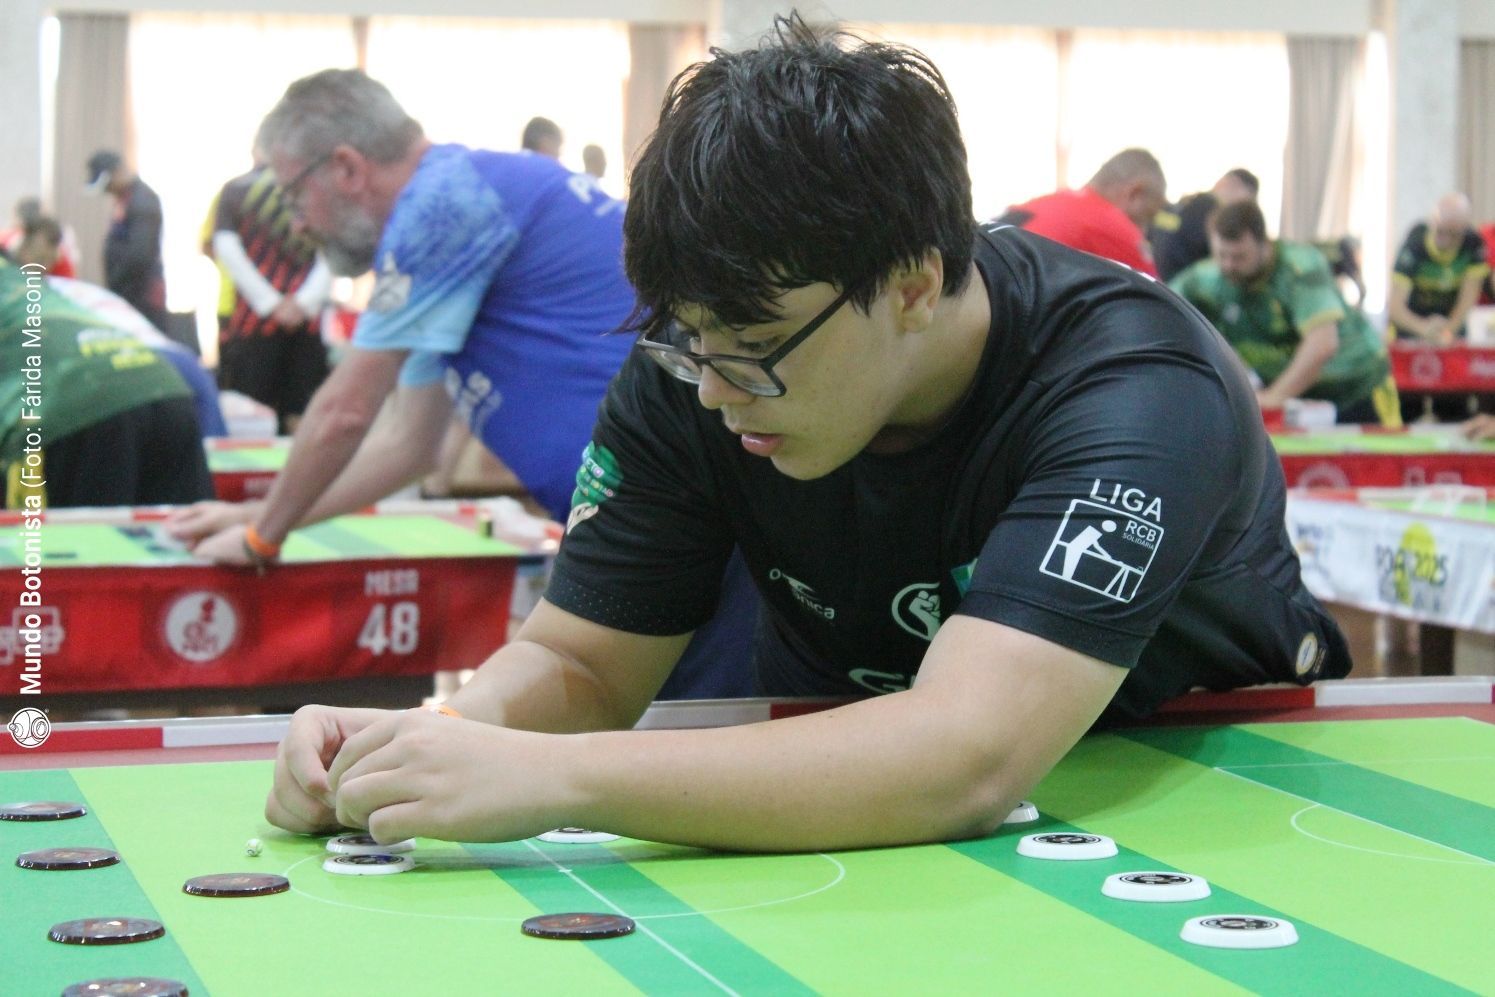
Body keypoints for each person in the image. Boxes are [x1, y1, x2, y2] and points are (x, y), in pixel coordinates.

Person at [259, 19, 1349, 852]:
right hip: (852, 791)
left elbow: (963, 755)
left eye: (753, 348)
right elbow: (581, 661)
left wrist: (554, 779)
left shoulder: (1133, 383)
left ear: (912, 286)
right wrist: (433, 743)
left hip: (1213, 790)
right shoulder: (697, 361)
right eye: (689, 341)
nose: (714, 391)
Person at [0, 260, 212, 508]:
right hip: (160, 379)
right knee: (187, 527)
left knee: (52, 533)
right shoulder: (23, 279)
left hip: (75, 401)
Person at [1171, 201, 1400, 426]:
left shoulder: (1300, 267)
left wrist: (1274, 398)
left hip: (1358, 388)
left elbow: (1323, 344)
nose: (1229, 265)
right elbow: (1164, 305)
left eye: (1239, 257)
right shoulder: (1206, 279)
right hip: (1298, 397)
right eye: (1221, 255)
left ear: (1264, 244)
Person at [209, 161, 334, 433]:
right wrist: (304, 302)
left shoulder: (235, 189)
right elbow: (334, 247)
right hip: (306, 320)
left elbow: (225, 247)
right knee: (302, 415)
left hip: (252, 321)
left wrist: (270, 304)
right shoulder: (318, 186)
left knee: (252, 416)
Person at [993, 148, 1166, 276]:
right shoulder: (1112, 226)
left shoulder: (1045, 203)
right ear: (1134, 194)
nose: (1144, 231)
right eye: (1147, 217)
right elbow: (1160, 305)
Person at [1387, 193, 1489, 344]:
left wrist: (1448, 331)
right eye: (1440, 231)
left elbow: (1468, 299)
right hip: (1411, 331)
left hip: (1452, 331)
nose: (1445, 240)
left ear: (1464, 229)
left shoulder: (1473, 245)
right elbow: (1395, 307)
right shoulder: (1414, 244)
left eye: (1453, 234)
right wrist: (1424, 329)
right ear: (1433, 221)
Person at [86, 150, 170, 332]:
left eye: (107, 185)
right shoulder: (126, 200)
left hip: (141, 298)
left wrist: (118, 285)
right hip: (127, 296)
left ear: (117, 172)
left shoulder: (143, 201)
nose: (107, 191)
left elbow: (140, 255)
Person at [1148, 168, 1259, 282]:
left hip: (1155, 282)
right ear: (1232, 184)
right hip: (1182, 287)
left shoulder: (1180, 206)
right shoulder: (1213, 215)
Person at [2, 197, 78, 277]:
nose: (45, 266)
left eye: (49, 261)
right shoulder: (4, 247)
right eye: (40, 259)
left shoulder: (61, 263)